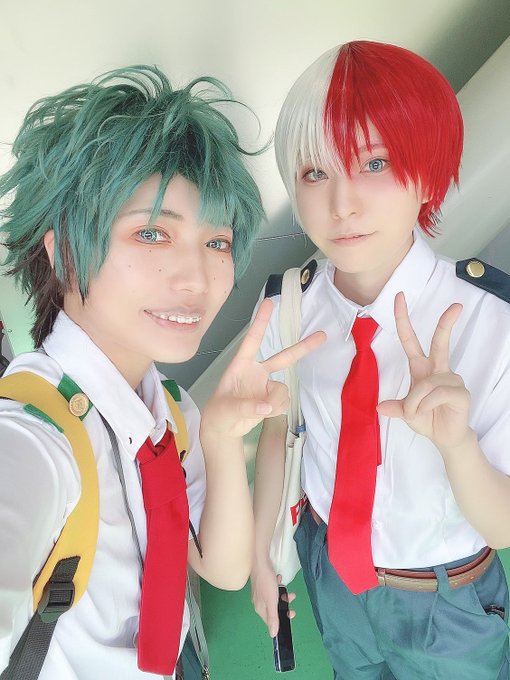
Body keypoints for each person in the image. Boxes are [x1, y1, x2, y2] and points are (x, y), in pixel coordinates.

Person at [0, 65, 324, 680]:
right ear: (63, 251)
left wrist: (221, 440)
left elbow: (223, 568)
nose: (197, 278)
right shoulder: (33, 435)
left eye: (217, 243)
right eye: (152, 234)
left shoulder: (168, 408)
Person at [251, 40, 510, 679]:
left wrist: (456, 443)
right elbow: (281, 427)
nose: (342, 204)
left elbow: (502, 526)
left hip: (445, 600)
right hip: (333, 579)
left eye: (374, 162)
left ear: (426, 171)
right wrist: (261, 555)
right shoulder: (287, 305)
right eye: (316, 173)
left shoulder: (489, 319)